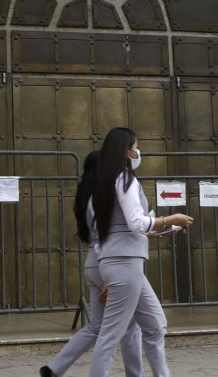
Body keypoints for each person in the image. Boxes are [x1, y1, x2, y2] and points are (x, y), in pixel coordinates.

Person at [87, 128, 194, 377]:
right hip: (125, 265)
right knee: (111, 334)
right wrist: (169, 218)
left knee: (155, 324)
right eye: (136, 146)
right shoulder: (125, 179)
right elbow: (136, 222)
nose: (138, 151)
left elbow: (106, 231)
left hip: (120, 263)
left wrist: (160, 229)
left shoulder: (103, 184)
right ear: (126, 150)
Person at [40, 152, 143, 377]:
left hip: (93, 262)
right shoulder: (103, 197)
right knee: (126, 326)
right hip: (109, 260)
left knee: (99, 325)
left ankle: (54, 368)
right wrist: (110, 278)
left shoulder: (85, 196)